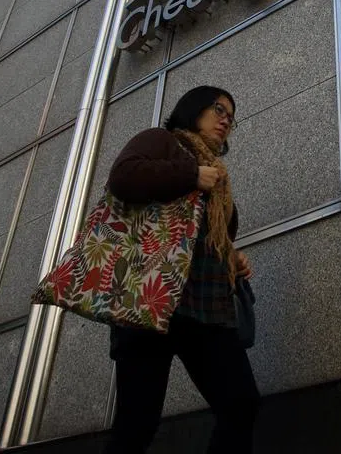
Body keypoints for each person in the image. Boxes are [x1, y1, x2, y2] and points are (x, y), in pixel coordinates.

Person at [103, 85, 260, 453]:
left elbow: (208, 235)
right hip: (149, 299)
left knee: (241, 404)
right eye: (219, 109)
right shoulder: (162, 141)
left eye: (231, 117)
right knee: (137, 424)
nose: (226, 119)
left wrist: (232, 257)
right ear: (193, 108)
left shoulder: (219, 176)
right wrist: (190, 175)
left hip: (205, 307)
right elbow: (123, 176)